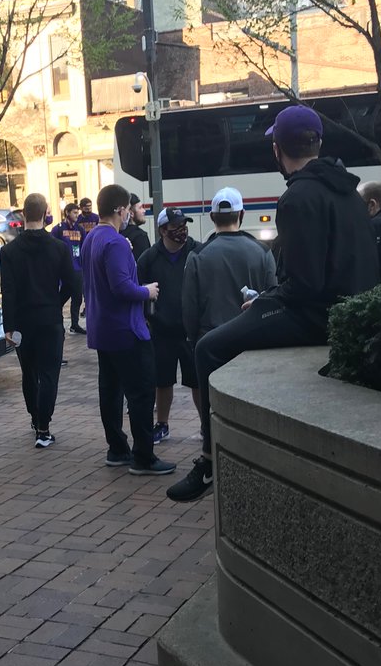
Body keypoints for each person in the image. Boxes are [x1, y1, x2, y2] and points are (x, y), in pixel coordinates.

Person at [167, 106, 380, 503]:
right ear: (318, 144)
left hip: (315, 315)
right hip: (345, 310)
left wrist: (266, 301)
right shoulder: (347, 191)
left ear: (277, 150)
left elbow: (304, 285)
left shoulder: (298, 197)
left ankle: (210, 461)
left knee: (208, 347)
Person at [82, 184, 175, 477]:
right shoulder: (117, 243)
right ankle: (143, 456)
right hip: (127, 330)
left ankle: (117, 448)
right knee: (140, 392)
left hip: (102, 330)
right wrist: (147, 291)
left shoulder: (91, 239)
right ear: (121, 210)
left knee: (110, 391)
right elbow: (122, 287)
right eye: (127, 210)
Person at [181, 187, 277, 424]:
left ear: (212, 217)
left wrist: (193, 339)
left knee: (212, 409)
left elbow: (189, 306)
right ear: (241, 215)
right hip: (251, 343)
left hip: (210, 342)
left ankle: (209, 451)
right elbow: (273, 297)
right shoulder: (263, 252)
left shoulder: (198, 255)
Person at [0, 192, 74, 448]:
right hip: (50, 319)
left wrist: (8, 326)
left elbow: (7, 291)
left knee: (28, 373)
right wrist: (57, 301)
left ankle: (35, 419)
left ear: (23, 213)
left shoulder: (9, 251)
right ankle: (44, 428)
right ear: (45, 213)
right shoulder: (59, 248)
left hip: (22, 322)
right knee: (49, 374)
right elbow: (75, 284)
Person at [137, 207, 200, 445]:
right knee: (162, 381)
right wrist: (145, 320)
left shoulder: (197, 250)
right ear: (163, 230)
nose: (181, 231)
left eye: (184, 226)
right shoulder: (149, 258)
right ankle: (162, 425)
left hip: (191, 331)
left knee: (197, 381)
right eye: (175, 227)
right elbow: (138, 291)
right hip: (161, 331)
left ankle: (205, 425)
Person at [50, 202, 85, 334]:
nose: (77, 215)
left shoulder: (80, 229)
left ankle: (75, 324)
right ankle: (57, 321)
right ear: (67, 213)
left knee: (77, 297)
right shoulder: (58, 229)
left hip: (78, 269)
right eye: (74, 213)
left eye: (78, 212)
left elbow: (83, 247)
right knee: (62, 297)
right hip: (64, 270)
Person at [121, 193, 151, 263]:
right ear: (131, 213)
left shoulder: (118, 232)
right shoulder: (140, 236)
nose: (144, 211)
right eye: (140, 208)